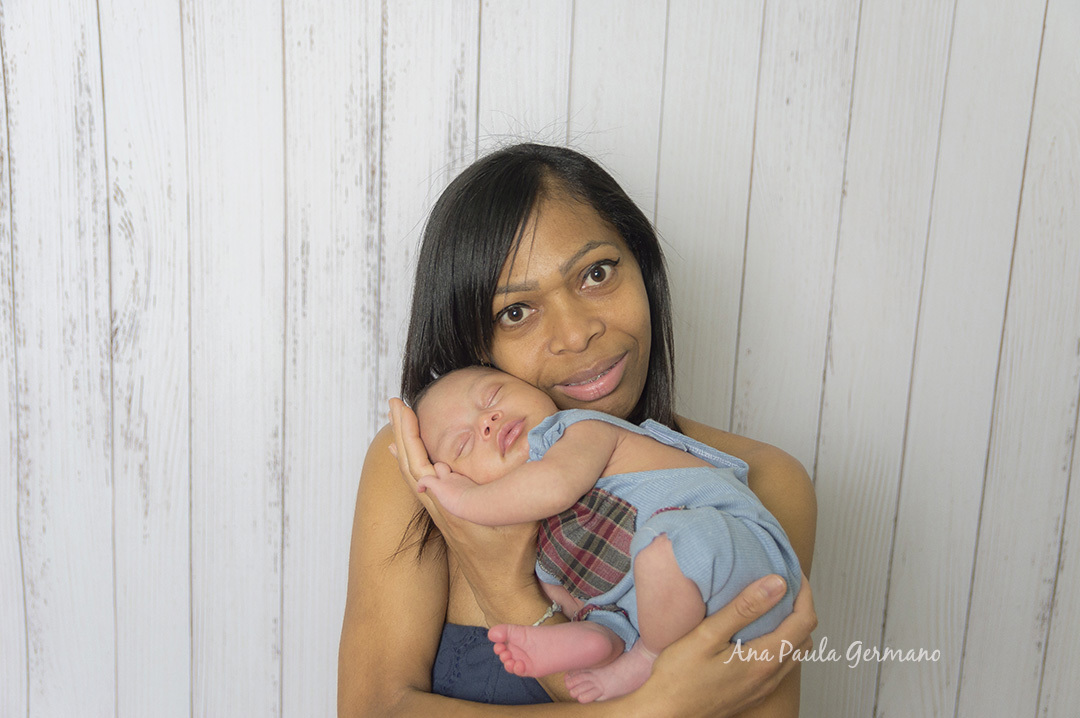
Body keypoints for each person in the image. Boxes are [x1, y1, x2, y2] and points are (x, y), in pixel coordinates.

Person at [338, 143, 818, 717]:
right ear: (476, 345)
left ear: (644, 268)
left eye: (596, 274)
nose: (575, 334)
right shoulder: (424, 468)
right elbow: (371, 709)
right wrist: (642, 710)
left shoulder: (765, 482)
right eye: (516, 312)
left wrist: (505, 589)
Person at [407, 365, 802, 703]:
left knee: (664, 546)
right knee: (584, 601)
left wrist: (463, 499)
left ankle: (647, 655)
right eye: (463, 444)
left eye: (493, 396)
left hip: (732, 551)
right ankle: (602, 640)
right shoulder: (536, 530)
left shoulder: (578, 431)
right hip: (672, 612)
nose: (487, 421)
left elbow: (554, 486)